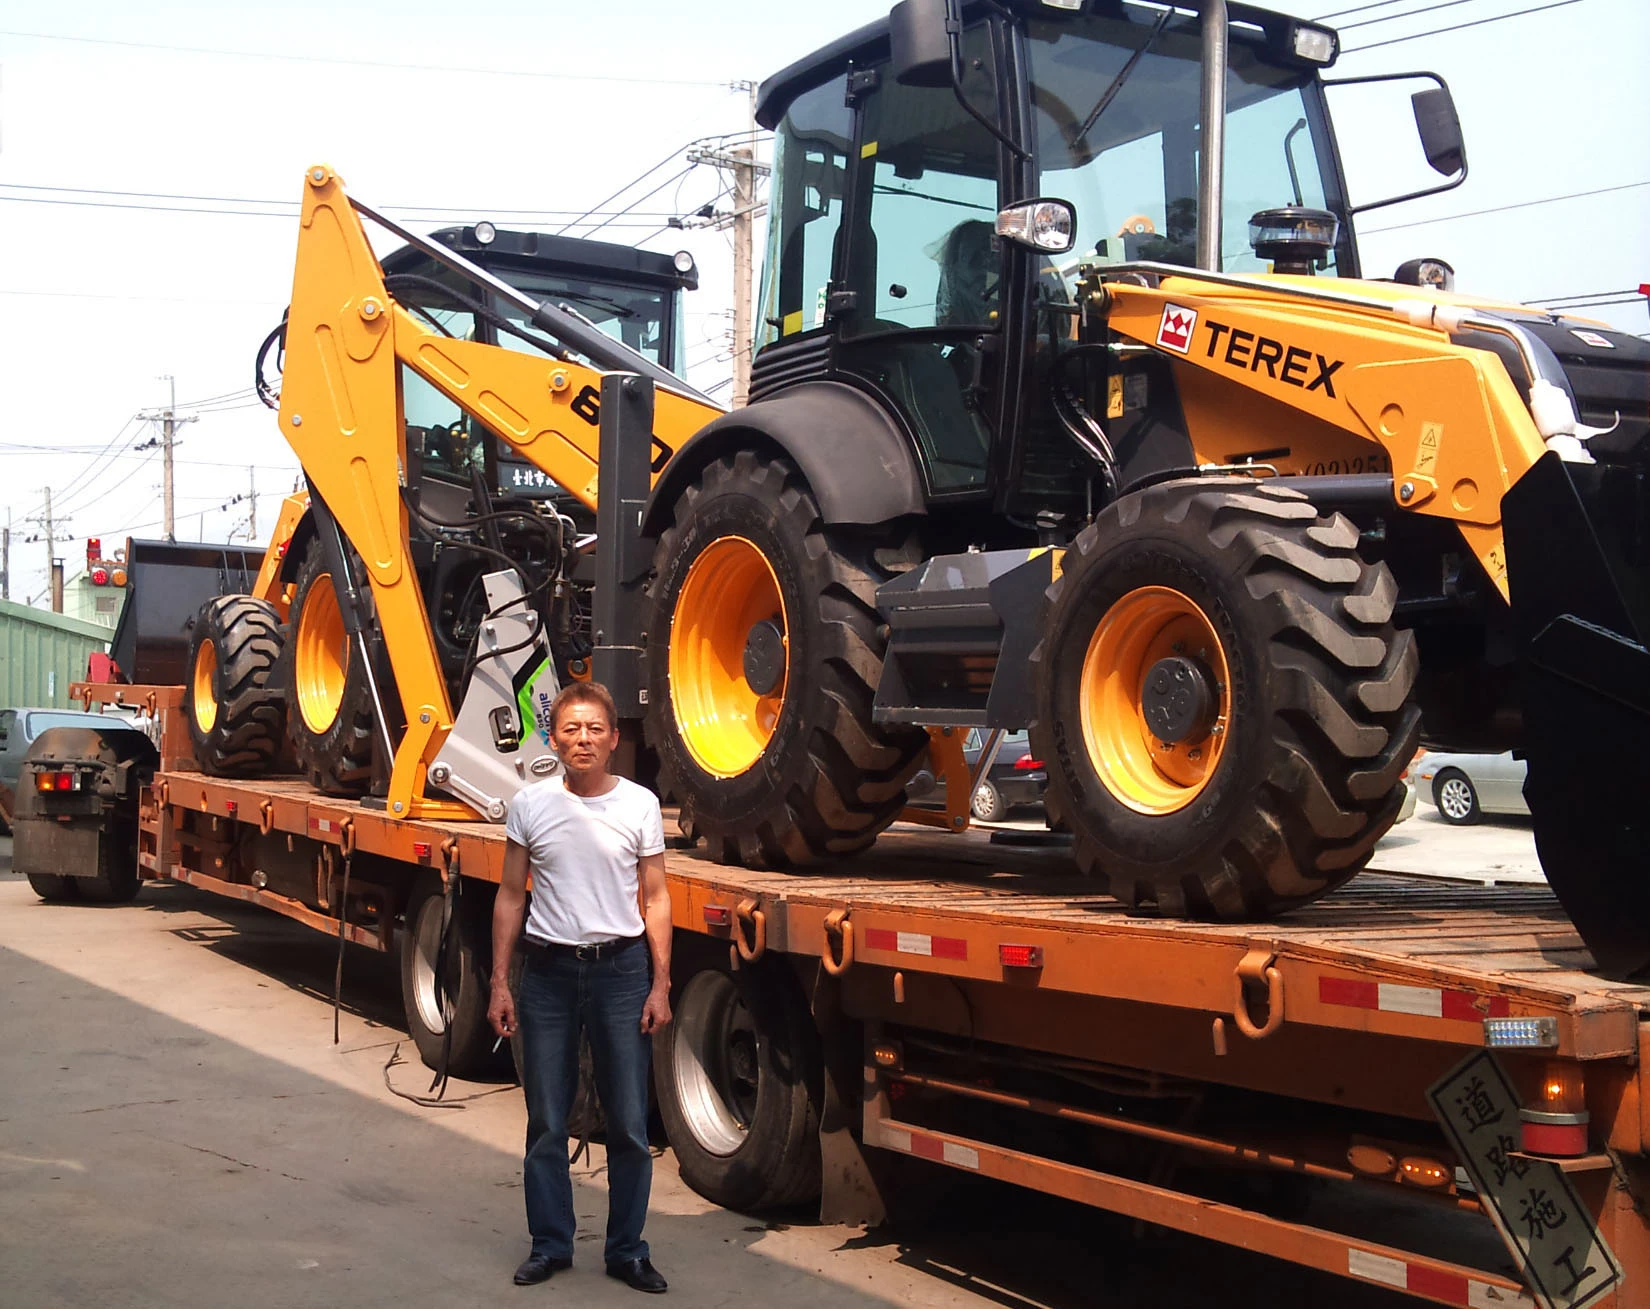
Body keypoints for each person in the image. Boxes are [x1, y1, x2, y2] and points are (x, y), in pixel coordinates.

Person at [490, 681, 673, 1294]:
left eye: (595, 728)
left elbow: (655, 897)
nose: (583, 739)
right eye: (571, 729)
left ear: (615, 738)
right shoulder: (530, 806)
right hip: (546, 975)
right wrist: (499, 982)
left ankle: (627, 1250)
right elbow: (512, 894)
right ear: (554, 738)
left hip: (622, 974)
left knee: (626, 1120)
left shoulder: (640, 806)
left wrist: (661, 984)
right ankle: (550, 1244)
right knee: (545, 1117)